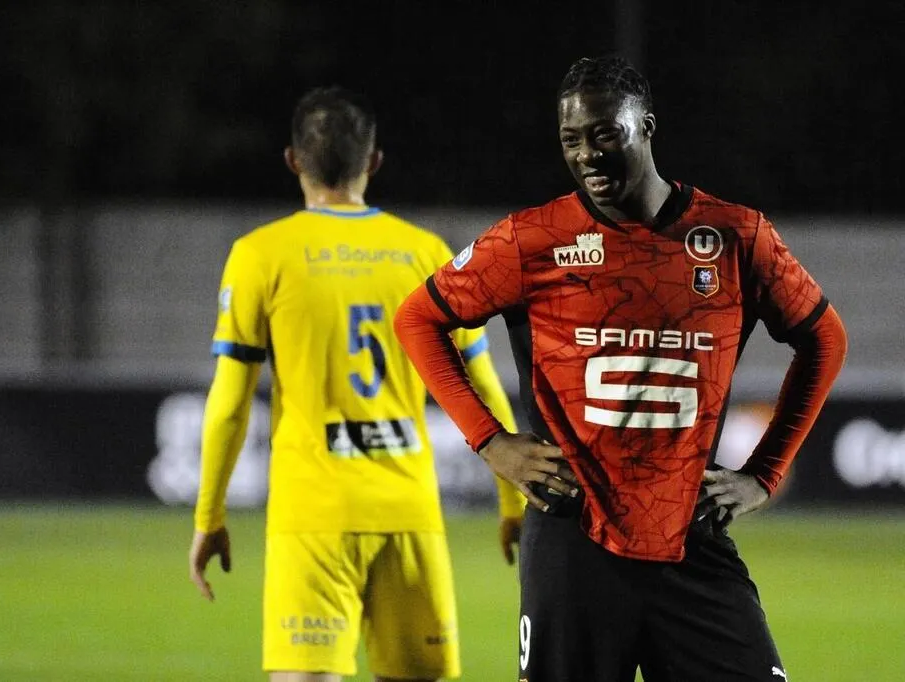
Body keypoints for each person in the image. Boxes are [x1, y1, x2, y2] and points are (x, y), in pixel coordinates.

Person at [394, 56, 848, 681]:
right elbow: (417, 319)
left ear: (648, 126)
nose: (588, 155)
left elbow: (825, 339)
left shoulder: (734, 236)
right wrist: (491, 442)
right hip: (573, 538)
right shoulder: (532, 240)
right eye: (571, 140)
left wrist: (765, 475)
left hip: (691, 535)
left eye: (606, 134)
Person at [188, 86, 526, 682]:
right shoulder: (424, 254)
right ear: (373, 162)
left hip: (312, 514)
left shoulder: (260, 255)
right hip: (409, 512)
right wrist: (511, 500)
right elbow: (485, 389)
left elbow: (228, 407)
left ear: (293, 160)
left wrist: (209, 518)